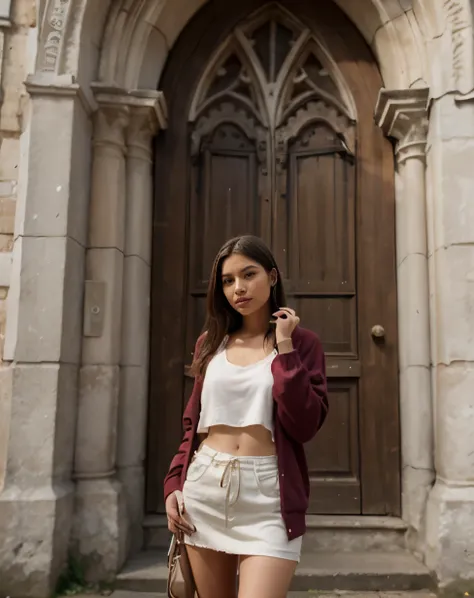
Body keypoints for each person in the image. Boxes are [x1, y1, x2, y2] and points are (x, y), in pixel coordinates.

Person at [164, 235, 328, 598]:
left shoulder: (303, 344)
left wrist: (284, 348)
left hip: (269, 495)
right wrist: (174, 484)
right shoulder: (211, 343)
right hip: (205, 487)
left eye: (248, 274)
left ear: (272, 277)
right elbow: (193, 426)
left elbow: (304, 423)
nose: (238, 288)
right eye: (227, 280)